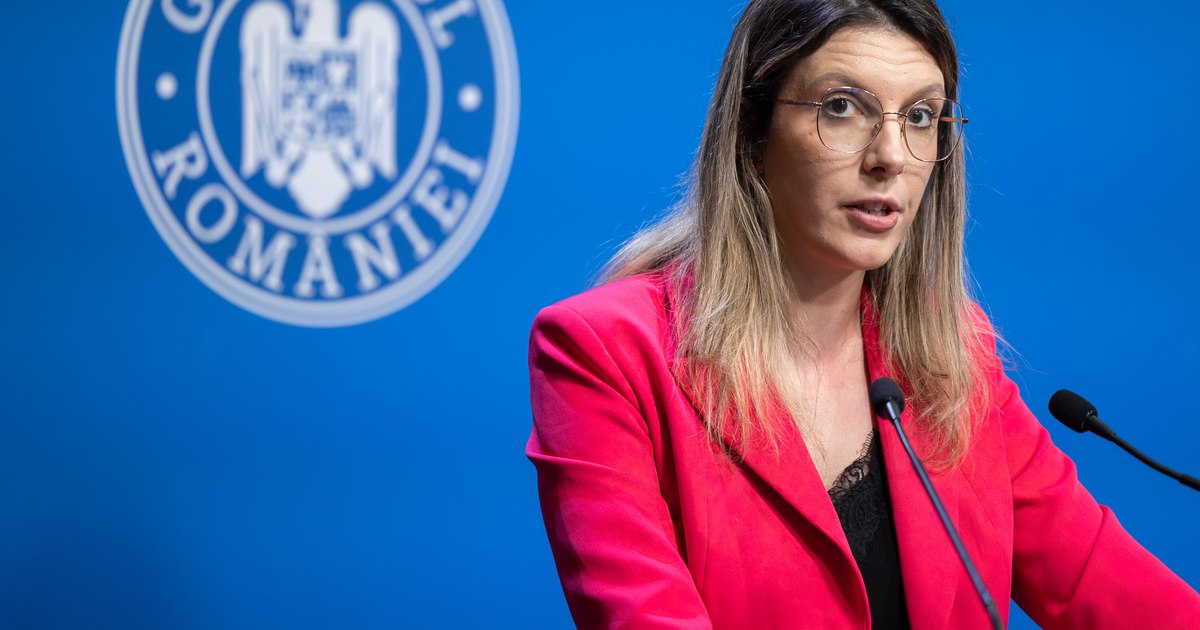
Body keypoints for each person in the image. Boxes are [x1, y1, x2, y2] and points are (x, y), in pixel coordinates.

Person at [525, 0, 1200, 627]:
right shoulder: (605, 351)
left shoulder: (954, 358)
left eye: (920, 116)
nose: (890, 158)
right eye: (843, 107)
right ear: (753, 129)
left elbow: (1108, 588)